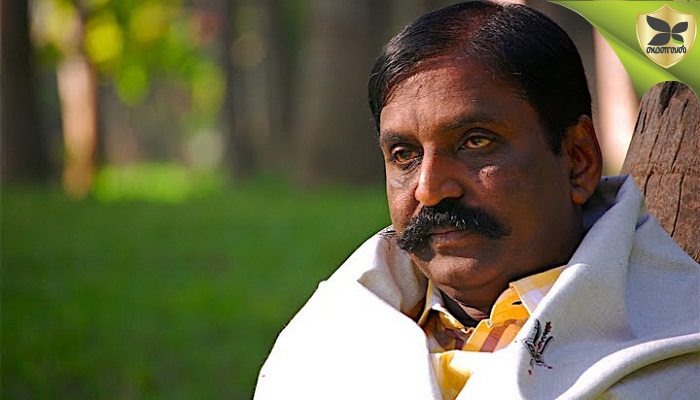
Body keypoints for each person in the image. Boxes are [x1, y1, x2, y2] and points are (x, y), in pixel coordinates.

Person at [254, 2, 700, 399]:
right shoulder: (324, 347)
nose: (429, 189)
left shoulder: (679, 347)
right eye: (405, 155)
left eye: (476, 142)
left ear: (578, 160)